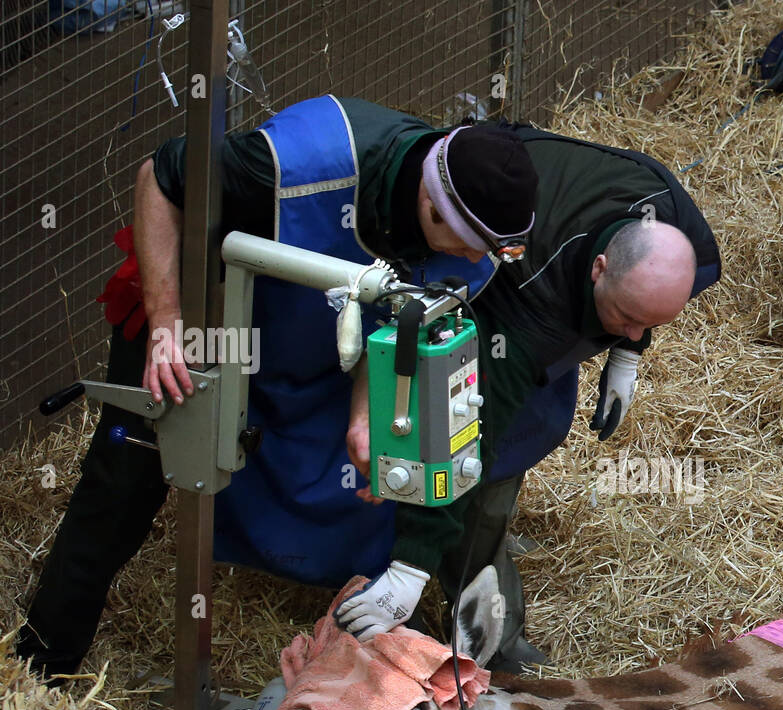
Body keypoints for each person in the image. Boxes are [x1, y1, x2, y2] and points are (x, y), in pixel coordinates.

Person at [16, 95, 538, 680]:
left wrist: (365, 418)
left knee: (371, 462)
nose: (473, 259)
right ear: (431, 205)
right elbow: (158, 176)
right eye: (467, 244)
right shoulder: (301, 165)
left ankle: (371, 653)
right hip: (199, 311)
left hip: (303, 326)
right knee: (126, 480)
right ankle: (42, 664)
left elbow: (393, 317)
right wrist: (166, 323)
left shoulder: (461, 219)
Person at [333, 126, 721, 670]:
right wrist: (409, 569)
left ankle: (483, 552)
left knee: (538, 419)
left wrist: (629, 351)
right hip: (491, 246)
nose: (636, 331)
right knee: (485, 459)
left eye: (648, 322)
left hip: (556, 232)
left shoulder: (679, 224)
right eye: (628, 318)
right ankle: (475, 615)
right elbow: (469, 438)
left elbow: (647, 287)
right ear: (598, 269)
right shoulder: (530, 305)